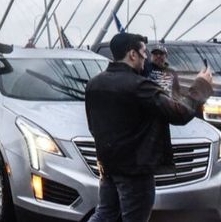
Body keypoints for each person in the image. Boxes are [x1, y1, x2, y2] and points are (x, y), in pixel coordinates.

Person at [85, 33, 213, 222]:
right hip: (136, 170)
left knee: (105, 214)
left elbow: (93, 126)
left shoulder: (94, 84)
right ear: (132, 54)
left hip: (108, 166)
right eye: (144, 52)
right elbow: (180, 113)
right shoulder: (139, 86)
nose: (147, 57)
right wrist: (201, 85)